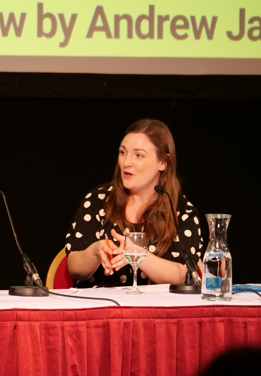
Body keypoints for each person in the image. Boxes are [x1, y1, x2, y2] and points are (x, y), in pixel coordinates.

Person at [65, 119, 204, 287]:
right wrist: (95, 252)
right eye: (123, 152)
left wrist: (140, 256)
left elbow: (183, 275)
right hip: (101, 302)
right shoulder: (98, 200)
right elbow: (74, 268)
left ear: (163, 162)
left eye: (138, 155)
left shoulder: (182, 211)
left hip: (155, 304)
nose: (126, 162)